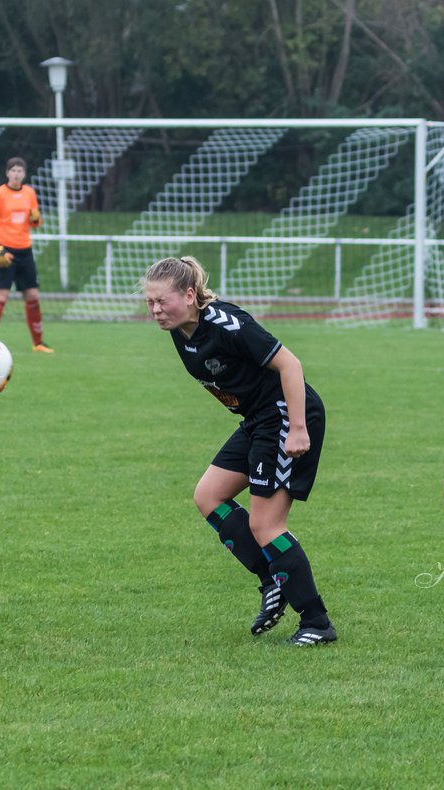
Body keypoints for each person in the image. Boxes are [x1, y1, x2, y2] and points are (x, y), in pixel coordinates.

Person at [142, 256, 336, 646]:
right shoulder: (180, 331)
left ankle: (316, 621)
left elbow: (291, 365)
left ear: (190, 294)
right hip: (257, 419)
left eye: (163, 301)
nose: (156, 310)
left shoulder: (227, 324)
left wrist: (297, 429)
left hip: (284, 415)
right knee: (209, 497)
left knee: (266, 526)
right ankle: (273, 581)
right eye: (150, 303)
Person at [0, 157, 53, 353]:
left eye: (20, 171)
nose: (16, 174)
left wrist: (37, 219)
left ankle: (38, 343)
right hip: (3, 250)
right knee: (1, 296)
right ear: (7, 173)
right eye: (13, 170)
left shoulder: (29, 192)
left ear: (24, 174)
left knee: (32, 295)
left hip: (25, 250)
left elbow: (34, 221)